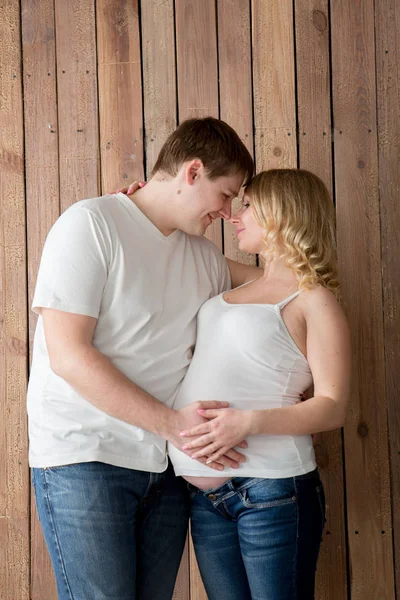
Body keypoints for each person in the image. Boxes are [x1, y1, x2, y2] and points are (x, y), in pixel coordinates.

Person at [27, 117, 258, 600]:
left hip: (165, 470)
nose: (227, 209)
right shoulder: (90, 224)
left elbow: (276, 284)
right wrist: (175, 425)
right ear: (192, 172)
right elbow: (69, 356)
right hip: (86, 461)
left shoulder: (203, 258)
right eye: (226, 193)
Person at [167, 169, 351, 600]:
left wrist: (247, 422)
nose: (234, 214)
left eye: (248, 205)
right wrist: (139, 200)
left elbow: (333, 405)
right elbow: (173, 251)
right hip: (207, 500)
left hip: (270, 490)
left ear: (283, 214)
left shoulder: (313, 299)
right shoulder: (245, 280)